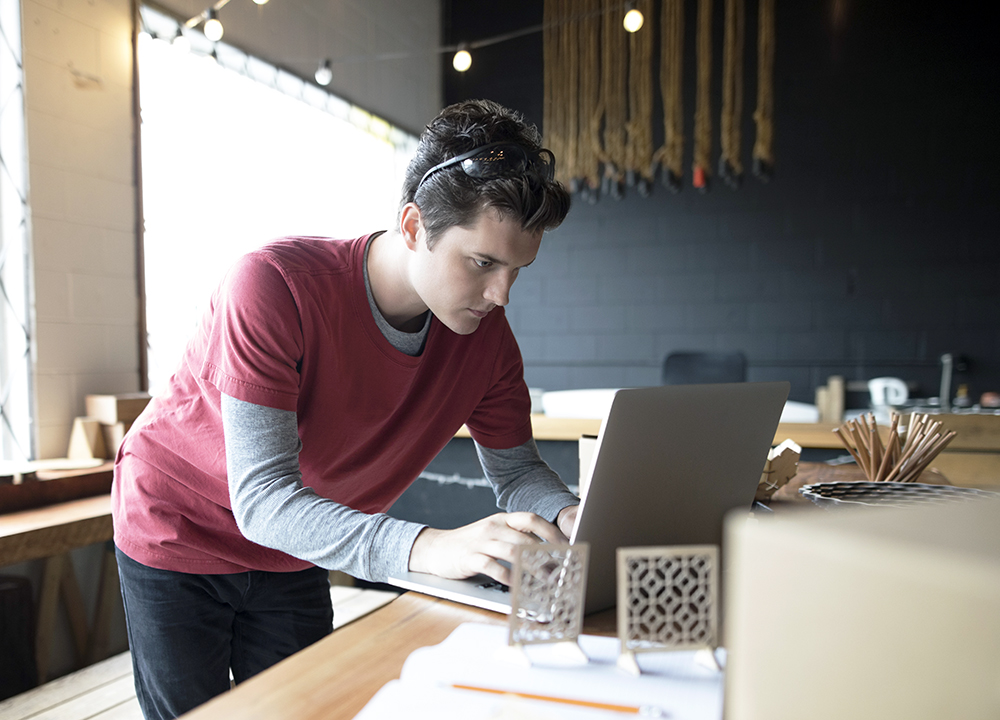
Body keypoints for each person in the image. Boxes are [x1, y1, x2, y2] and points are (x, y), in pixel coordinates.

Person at [111, 99, 580, 720]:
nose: (501, 295)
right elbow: (264, 500)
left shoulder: (487, 342)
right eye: (483, 263)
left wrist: (573, 516)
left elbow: (518, 475)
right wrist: (426, 547)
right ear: (414, 227)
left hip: (303, 541)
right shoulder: (272, 286)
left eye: (517, 270)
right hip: (181, 526)